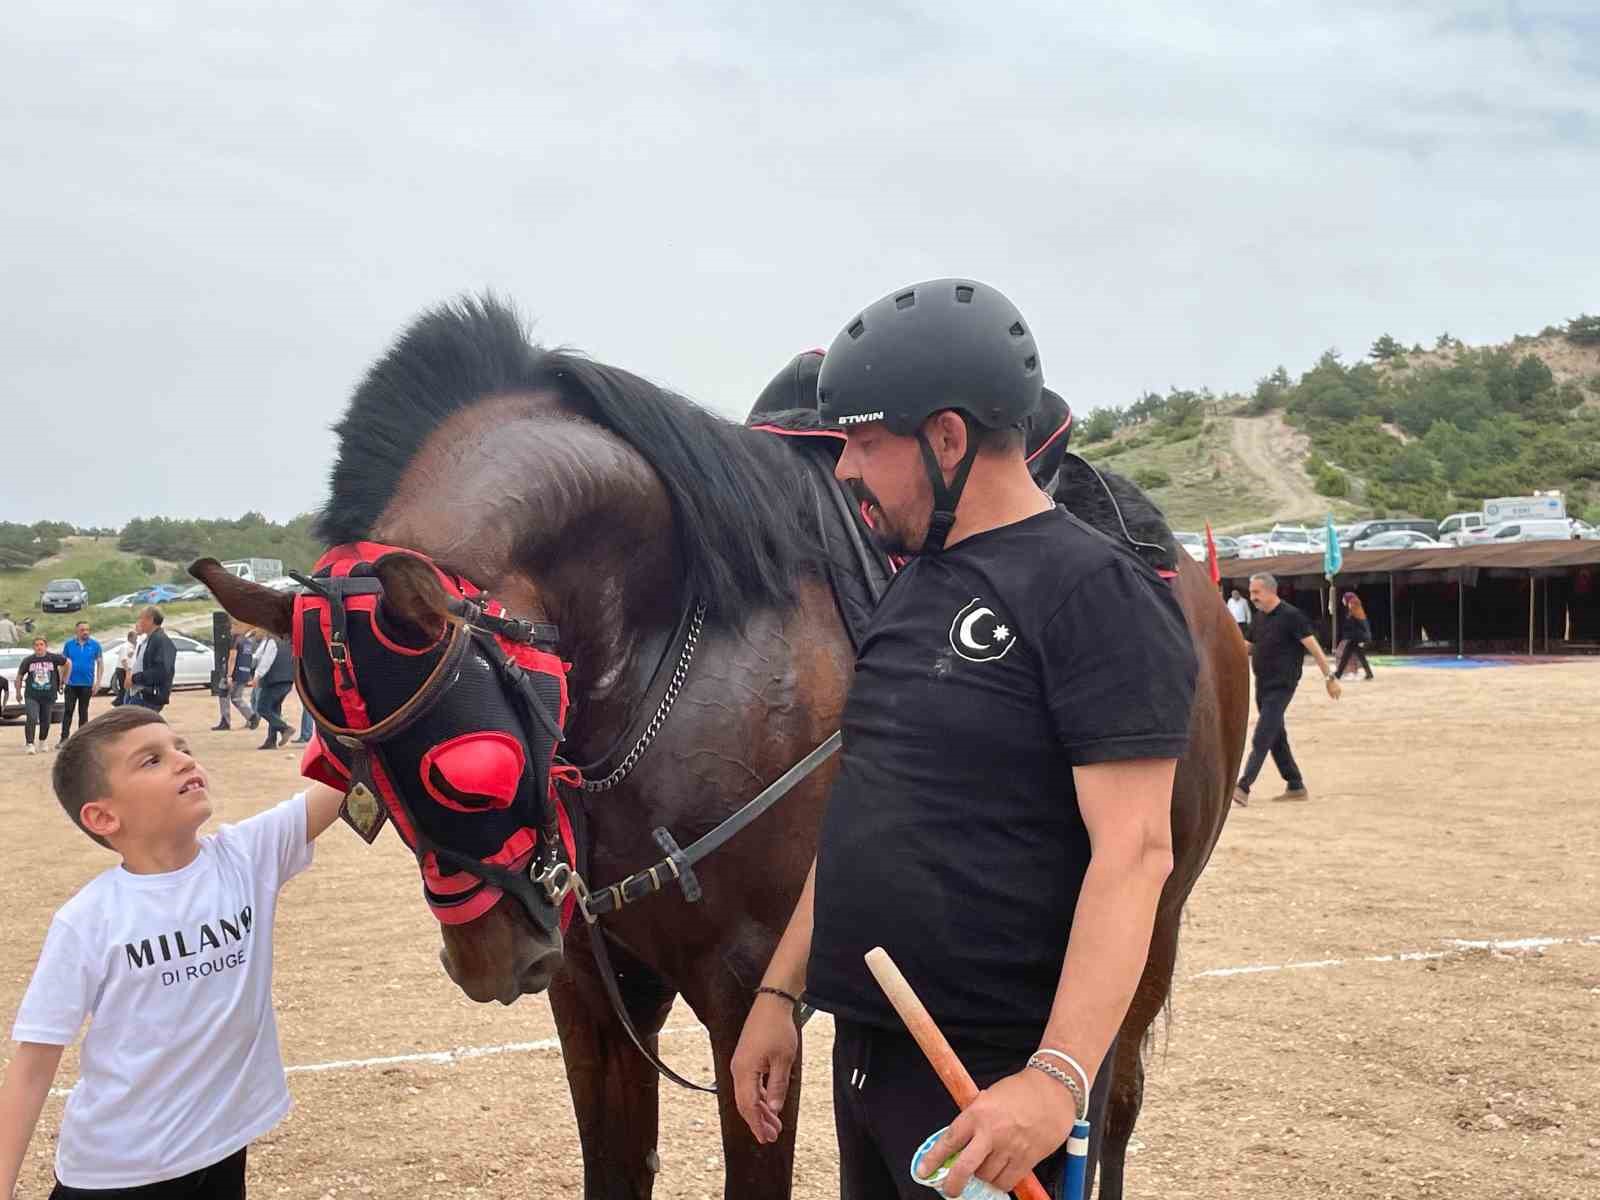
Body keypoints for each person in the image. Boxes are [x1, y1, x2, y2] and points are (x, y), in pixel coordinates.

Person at [730, 279, 1198, 1199]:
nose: (845, 471)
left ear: (946, 438)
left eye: (865, 442)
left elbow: (1136, 853)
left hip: (992, 1082)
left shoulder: (1097, 593)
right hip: (876, 1055)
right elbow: (867, 811)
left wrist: (1053, 1082)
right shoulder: (917, 583)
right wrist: (781, 996)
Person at [0, 706, 346, 1198]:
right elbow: (34, 1065)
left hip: (221, 1149)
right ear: (103, 816)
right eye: (151, 760)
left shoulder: (246, 857)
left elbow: (342, 778)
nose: (184, 760)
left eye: (182, 748)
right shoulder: (89, 920)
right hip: (119, 1172)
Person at [1231, 573, 1340, 808]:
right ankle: (1295, 784)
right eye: (1251, 593)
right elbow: (1248, 646)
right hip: (1262, 684)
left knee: (1262, 735)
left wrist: (1330, 677)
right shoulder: (1259, 618)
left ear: (1271, 591)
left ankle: (1243, 786)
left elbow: (1314, 648)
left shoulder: (1292, 616)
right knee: (1276, 737)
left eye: (1256, 593)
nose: (1253, 598)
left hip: (1282, 686)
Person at [15, 637, 70, 755]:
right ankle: (30, 743)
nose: (39, 647)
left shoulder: (53, 658)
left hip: (48, 694)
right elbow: (19, 676)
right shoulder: (28, 660)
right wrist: (18, 692)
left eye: (41, 644)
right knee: (32, 717)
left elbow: (68, 663)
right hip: (32, 694)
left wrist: (64, 680)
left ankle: (42, 741)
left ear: (46, 646)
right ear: (33, 647)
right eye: (36, 645)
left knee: (46, 720)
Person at [58, 622, 104, 746]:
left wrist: (98, 682)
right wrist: (61, 680)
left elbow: (100, 664)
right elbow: (63, 663)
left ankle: (82, 740)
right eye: (83, 630)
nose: (85, 632)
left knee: (83, 711)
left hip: (87, 684)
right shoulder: (69, 645)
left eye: (88, 630)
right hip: (71, 684)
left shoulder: (95, 645)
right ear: (77, 631)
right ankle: (64, 738)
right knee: (68, 711)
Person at [246, 634, 294, 750]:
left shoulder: (271, 641)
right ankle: (271, 741)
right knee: (274, 710)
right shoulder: (287, 642)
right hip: (287, 680)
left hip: (273, 680)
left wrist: (257, 676)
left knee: (262, 708)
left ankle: (285, 728)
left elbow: (266, 660)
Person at [127, 607, 175, 713]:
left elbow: (161, 671)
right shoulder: (148, 640)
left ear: (150, 620)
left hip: (149, 696)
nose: (139, 622)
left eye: (141, 618)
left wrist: (134, 678)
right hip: (140, 694)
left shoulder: (161, 640)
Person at [212, 627, 258, 732]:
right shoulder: (248, 642)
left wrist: (229, 675)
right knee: (237, 698)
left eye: (233, 627)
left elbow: (232, 658)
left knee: (223, 695)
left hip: (233, 673)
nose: (230, 629)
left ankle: (225, 721)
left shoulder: (235, 640)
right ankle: (251, 716)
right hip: (244, 672)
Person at [1333, 591, 1375, 682]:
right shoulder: (1354, 609)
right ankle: (1339, 674)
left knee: (1350, 655)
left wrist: (1362, 640)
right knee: (1349, 655)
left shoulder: (1354, 608)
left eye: (1344, 599)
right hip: (1356, 638)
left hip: (1359, 638)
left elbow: (1361, 626)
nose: (1343, 601)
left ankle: (1338, 674)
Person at [109, 630, 138, 706]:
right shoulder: (125, 647)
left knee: (127, 689)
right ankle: (117, 703)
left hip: (127, 670)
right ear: (131, 637)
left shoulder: (132, 647)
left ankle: (122, 703)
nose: (136, 639)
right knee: (124, 688)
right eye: (135, 637)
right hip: (123, 670)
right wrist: (127, 670)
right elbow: (123, 660)